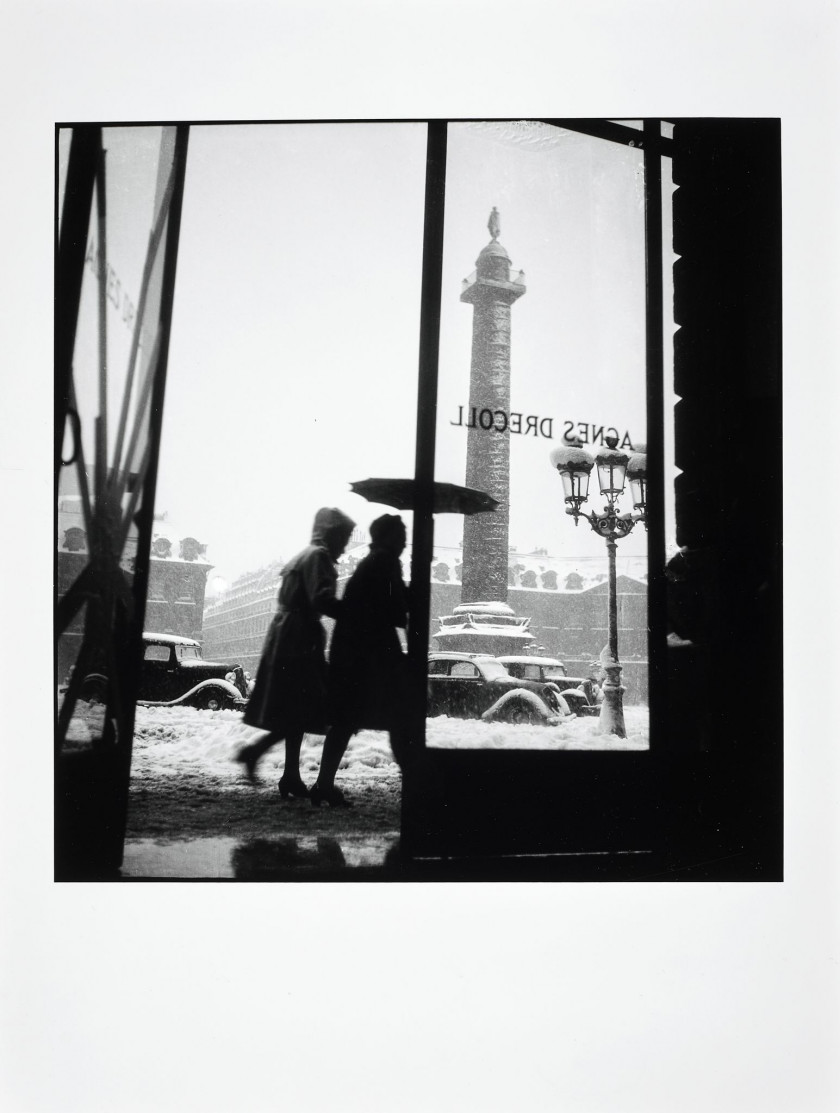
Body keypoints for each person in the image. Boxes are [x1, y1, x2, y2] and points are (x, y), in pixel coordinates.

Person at [234, 506, 356, 794]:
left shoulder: (303, 554)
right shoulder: (319, 557)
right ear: (331, 534)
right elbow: (322, 599)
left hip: (286, 636)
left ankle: (290, 775)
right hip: (300, 639)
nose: (344, 544)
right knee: (305, 708)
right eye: (343, 536)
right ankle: (257, 753)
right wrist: (355, 613)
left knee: (295, 708)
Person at [311, 513, 411, 808]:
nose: (405, 540)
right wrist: (410, 597)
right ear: (388, 537)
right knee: (400, 719)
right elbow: (393, 610)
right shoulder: (385, 561)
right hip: (370, 656)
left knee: (345, 720)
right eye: (401, 534)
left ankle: (324, 784)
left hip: (355, 652)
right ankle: (414, 784)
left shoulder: (374, 561)